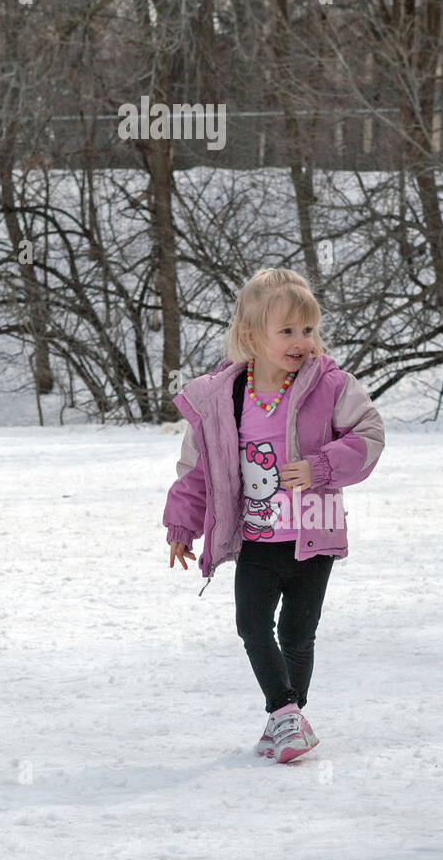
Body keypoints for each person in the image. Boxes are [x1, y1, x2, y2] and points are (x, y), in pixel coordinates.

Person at [163, 268, 384, 763]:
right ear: (250, 336)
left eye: (308, 330)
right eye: (287, 331)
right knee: (252, 623)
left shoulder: (331, 385)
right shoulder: (223, 398)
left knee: (298, 634)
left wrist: (322, 465)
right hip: (258, 540)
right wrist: (182, 524)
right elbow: (200, 468)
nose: (301, 342)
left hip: (314, 534)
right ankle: (285, 714)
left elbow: (369, 435)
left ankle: (287, 719)